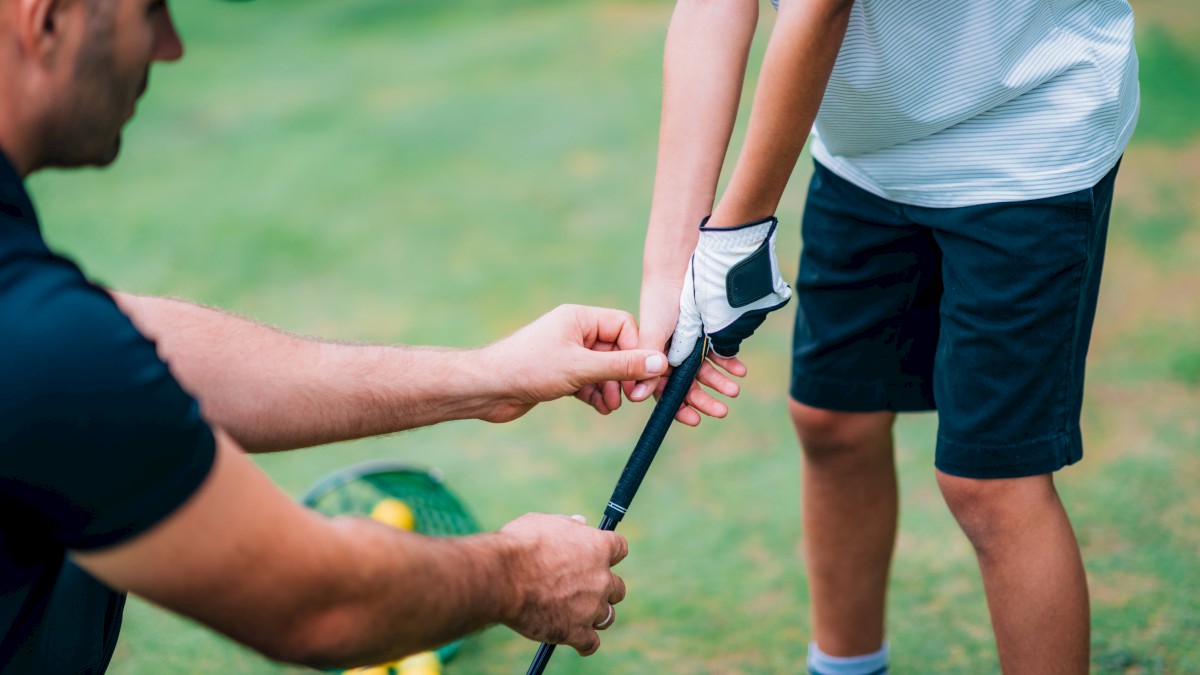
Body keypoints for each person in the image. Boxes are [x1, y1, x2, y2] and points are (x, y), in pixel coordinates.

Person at [0, 0, 670, 672]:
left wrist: (488, 376)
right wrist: (517, 576)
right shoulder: (41, 336)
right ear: (48, 19)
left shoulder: (37, 312)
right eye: (150, 10)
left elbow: (132, 345)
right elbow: (319, 602)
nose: (170, 46)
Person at [633, 0, 1137, 673]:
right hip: (866, 150)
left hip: (1026, 126)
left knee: (992, 480)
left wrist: (737, 229)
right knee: (832, 418)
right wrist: (669, 269)